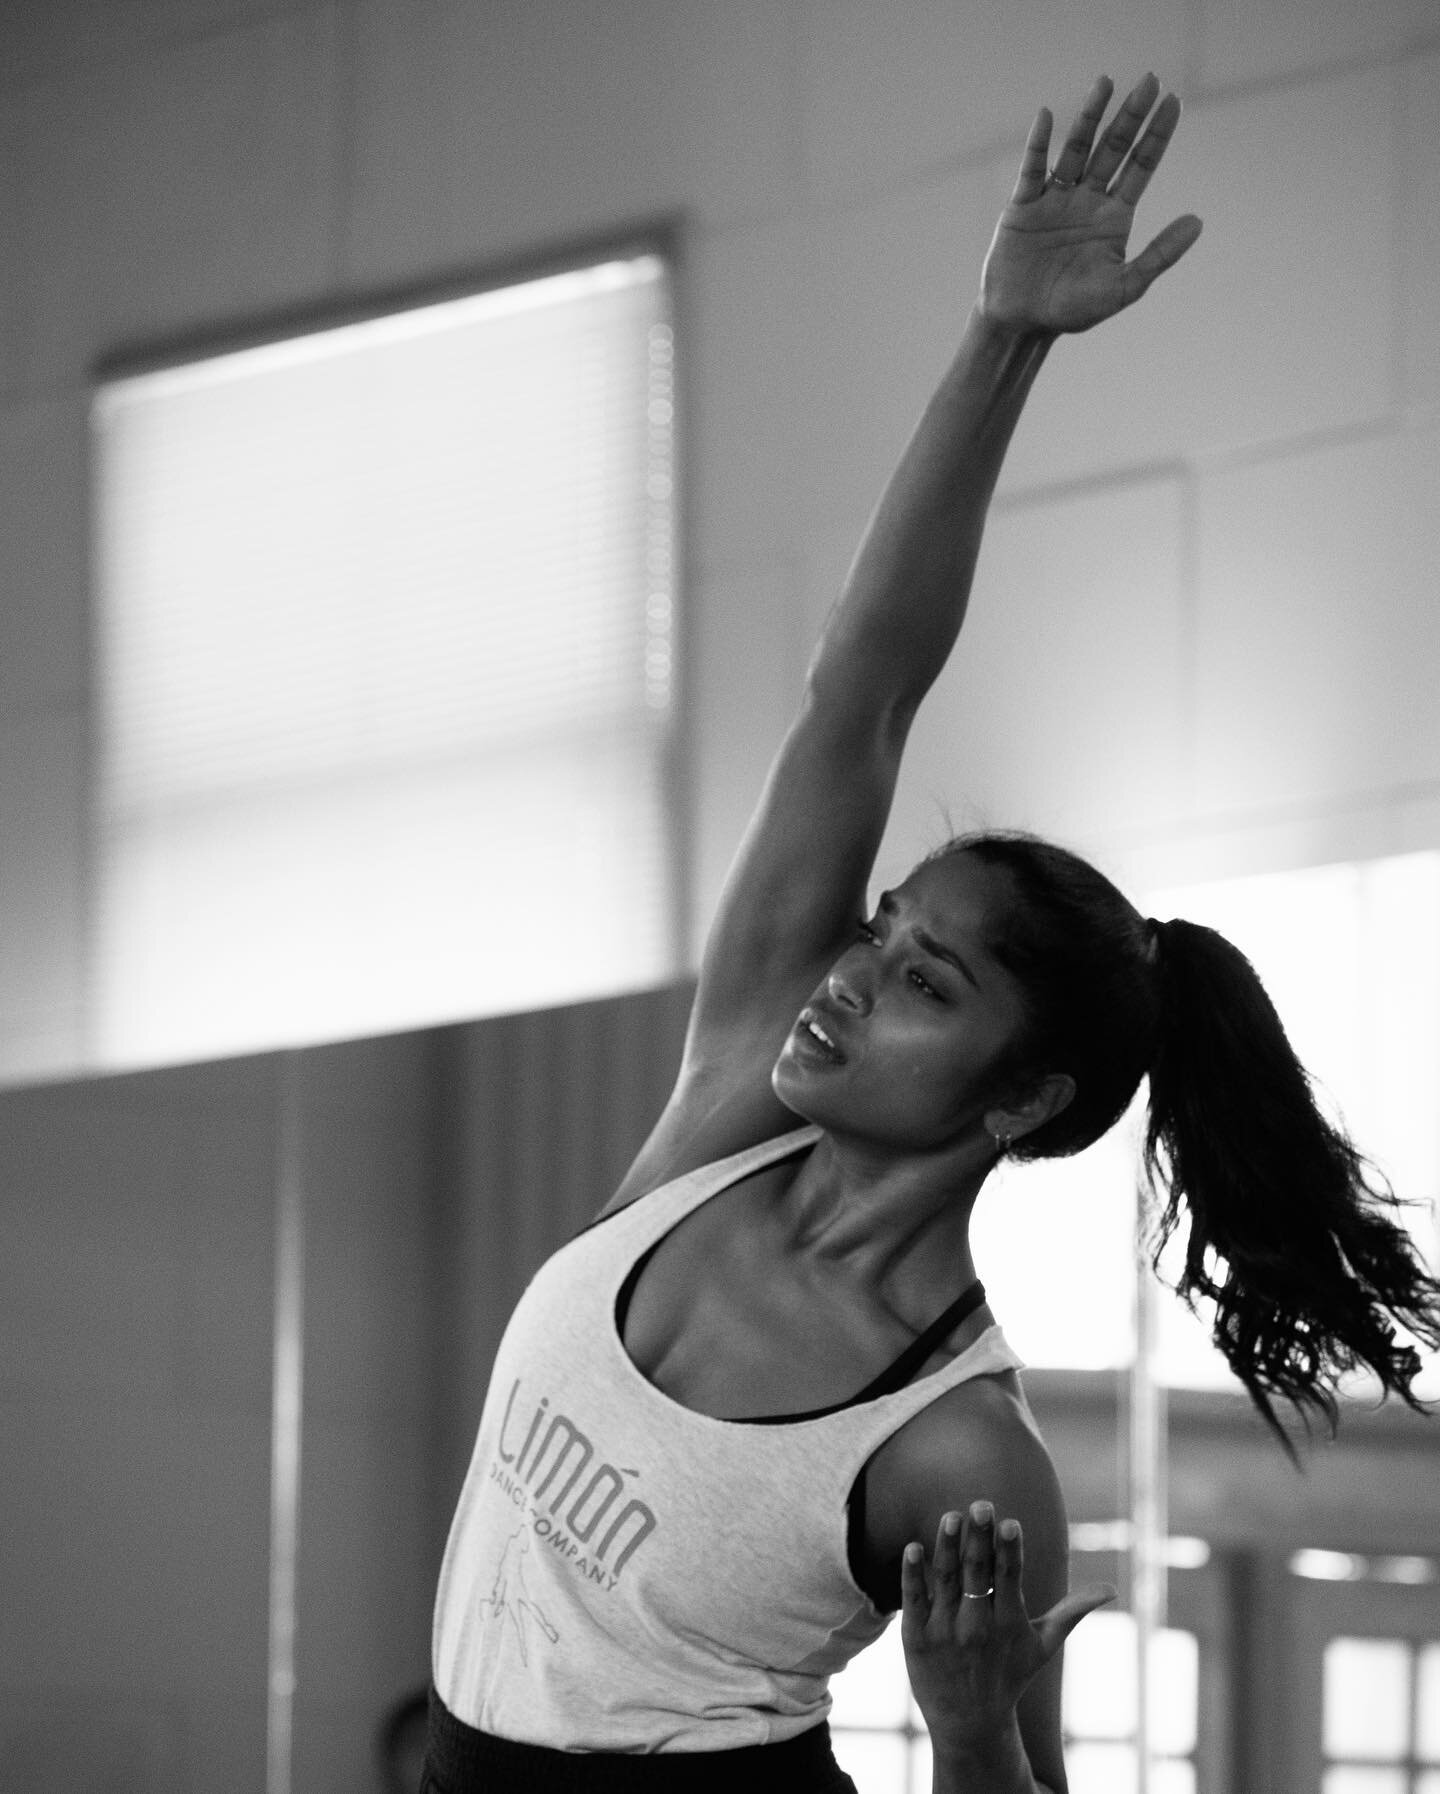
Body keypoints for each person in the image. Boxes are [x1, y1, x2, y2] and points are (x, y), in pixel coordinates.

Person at [423, 73, 1440, 1794]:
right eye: (881, 928)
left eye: (923, 977)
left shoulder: (959, 1443)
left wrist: (970, 1731)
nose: (850, 974)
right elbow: (861, 692)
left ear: (1026, 1097)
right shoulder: (732, 1103)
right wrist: (1003, 342)